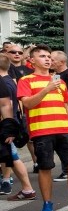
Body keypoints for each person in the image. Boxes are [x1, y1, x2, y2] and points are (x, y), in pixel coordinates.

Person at [16, 45, 68, 211]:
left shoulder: (60, 82)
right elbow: (28, 104)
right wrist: (46, 89)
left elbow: (65, 105)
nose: (47, 59)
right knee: (45, 167)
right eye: (42, 56)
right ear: (32, 60)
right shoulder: (26, 80)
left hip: (63, 129)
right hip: (42, 131)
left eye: (49, 56)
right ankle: (47, 203)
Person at [0, 54, 36, 200]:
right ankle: (25, 188)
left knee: (12, 157)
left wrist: (8, 127)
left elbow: (6, 105)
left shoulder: (5, 83)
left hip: (5, 125)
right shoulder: (8, 81)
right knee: (11, 157)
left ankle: (24, 187)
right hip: (8, 123)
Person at [50, 51, 68, 183]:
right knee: (62, 140)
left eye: (53, 59)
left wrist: (66, 114)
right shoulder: (56, 75)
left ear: (62, 62)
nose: (50, 61)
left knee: (67, 141)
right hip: (59, 112)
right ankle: (67, 169)